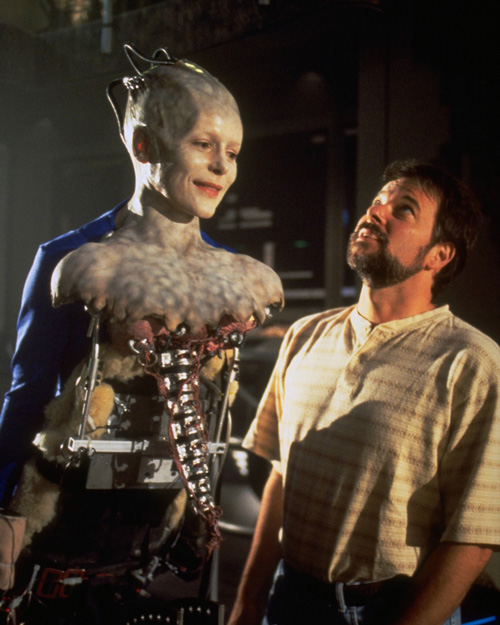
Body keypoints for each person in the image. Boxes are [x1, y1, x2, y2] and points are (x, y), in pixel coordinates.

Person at [228, 160, 500, 625]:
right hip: (288, 599)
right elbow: (281, 475)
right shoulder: (304, 335)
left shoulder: (471, 362)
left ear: (439, 255)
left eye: (404, 209)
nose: (375, 212)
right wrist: (248, 602)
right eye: (378, 201)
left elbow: (472, 537)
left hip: (385, 609)